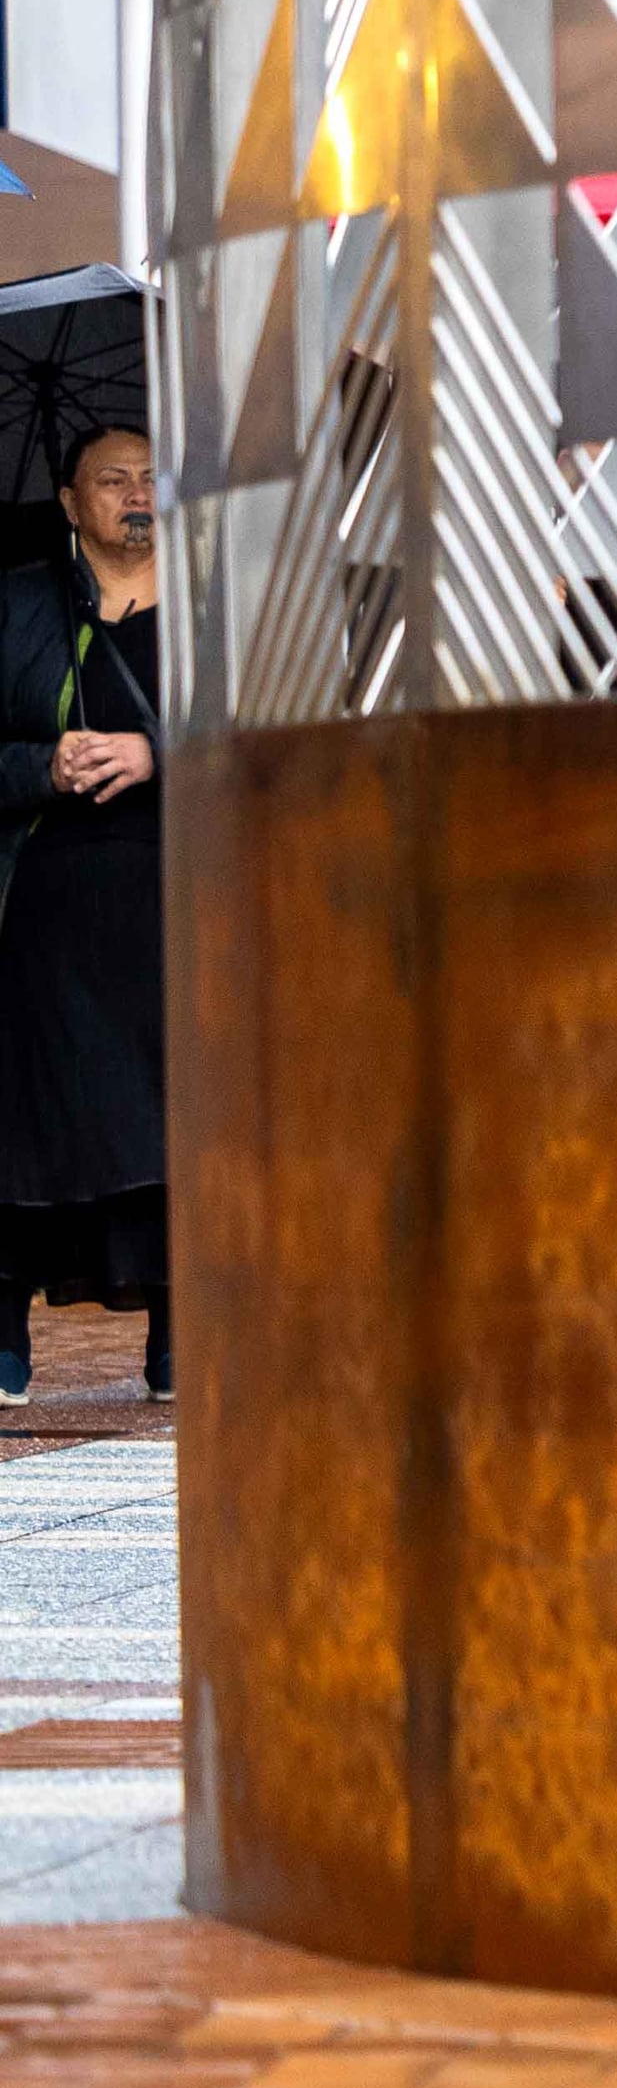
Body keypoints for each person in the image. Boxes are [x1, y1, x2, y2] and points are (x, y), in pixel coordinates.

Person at [0, 429, 167, 1410]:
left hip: (175, 896)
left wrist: (157, 755)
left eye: (152, 477)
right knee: (26, 1128)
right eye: (113, 479)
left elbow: (267, 734)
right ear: (70, 502)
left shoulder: (212, 610)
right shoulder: (22, 606)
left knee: (173, 1121)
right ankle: (5, 1332)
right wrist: (41, 766)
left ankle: (180, 1336)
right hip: (44, 901)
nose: (136, 493)